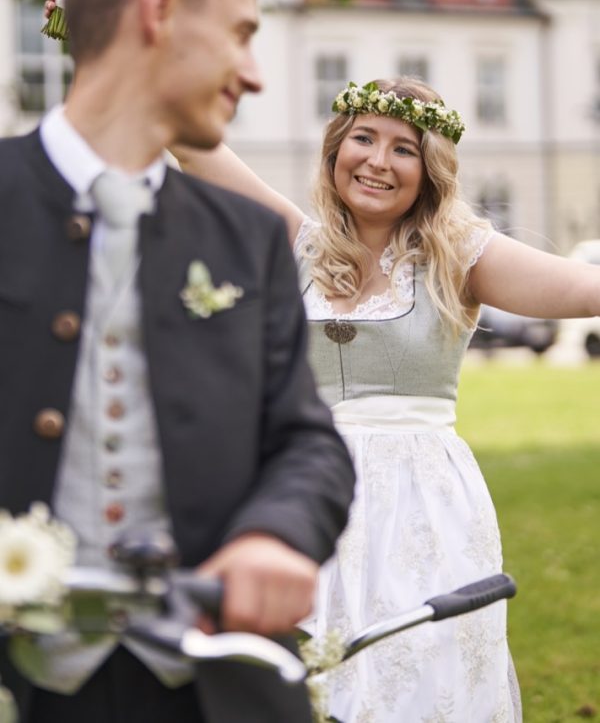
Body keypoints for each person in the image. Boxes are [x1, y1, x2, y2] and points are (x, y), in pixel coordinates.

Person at [0, 0, 356, 723]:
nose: (255, 71)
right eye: (239, 32)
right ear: (158, 10)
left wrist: (275, 532)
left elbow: (306, 440)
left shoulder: (250, 238)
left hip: (200, 686)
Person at [175, 75, 600, 722]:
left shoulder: (459, 256)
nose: (377, 160)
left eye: (403, 148)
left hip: (424, 507)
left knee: (423, 675)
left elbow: (585, 288)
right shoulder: (296, 243)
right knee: (302, 674)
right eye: (363, 139)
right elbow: (189, 139)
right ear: (334, 151)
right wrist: (93, 20)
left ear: (428, 171)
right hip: (300, 491)